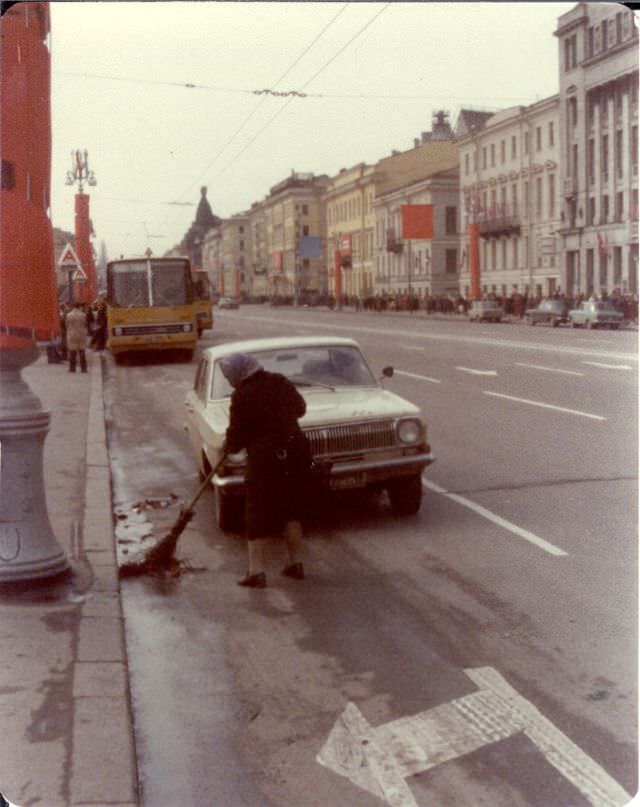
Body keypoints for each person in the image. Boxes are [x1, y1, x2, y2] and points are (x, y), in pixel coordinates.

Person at [220, 352, 313, 588]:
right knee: (292, 507)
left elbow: (236, 436)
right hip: (295, 451)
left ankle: (256, 571)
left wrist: (228, 446)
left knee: (256, 509)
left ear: (239, 372)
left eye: (229, 375)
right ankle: (296, 563)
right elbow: (301, 408)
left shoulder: (241, 396)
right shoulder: (280, 381)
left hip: (265, 458)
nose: (229, 379)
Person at [65, 302, 89, 373]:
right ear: (79, 307)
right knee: (82, 351)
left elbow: (66, 324)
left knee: (72, 352)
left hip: (72, 335)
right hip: (81, 335)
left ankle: (72, 368)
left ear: (73, 307)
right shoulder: (83, 315)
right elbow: (85, 323)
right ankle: (83, 368)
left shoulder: (69, 315)